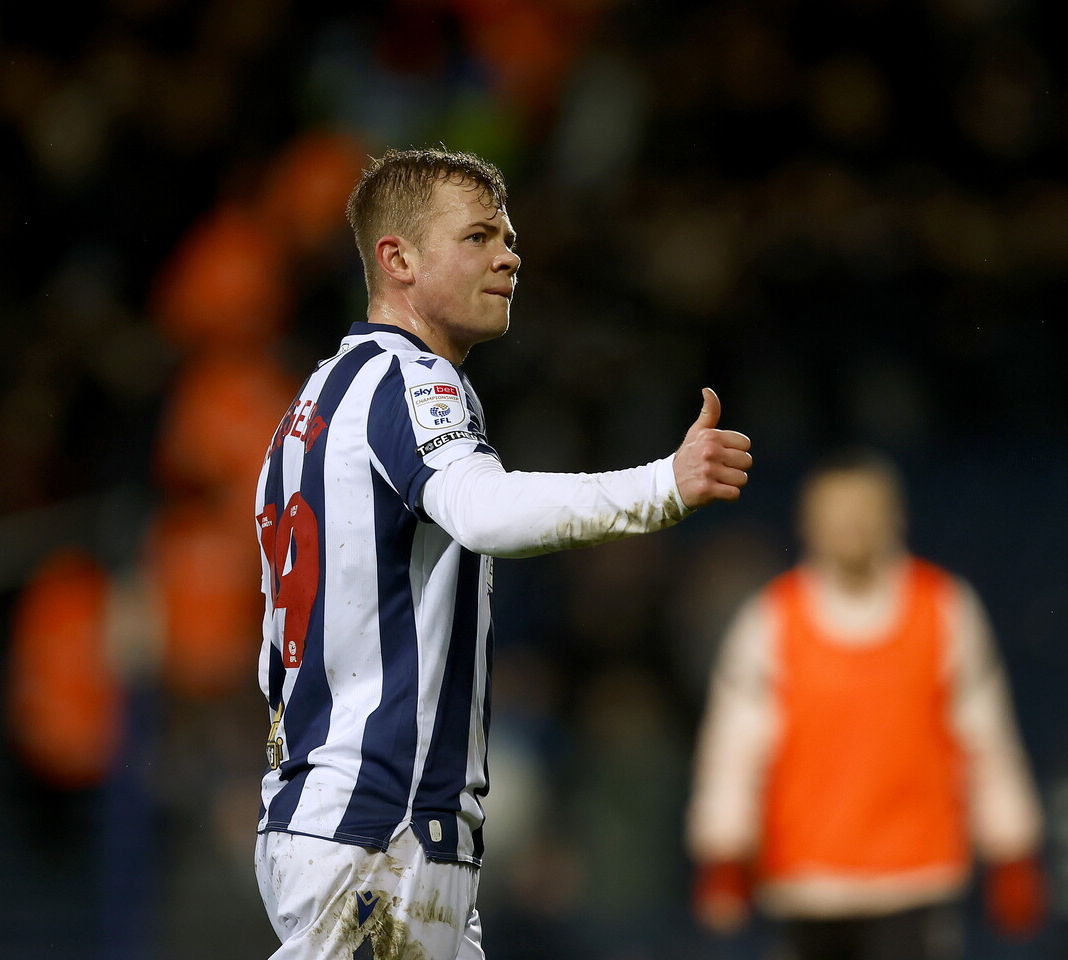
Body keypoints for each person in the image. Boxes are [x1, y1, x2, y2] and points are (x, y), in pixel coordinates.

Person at [250, 147, 753, 959]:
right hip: (382, 827)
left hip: (342, 818)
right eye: (480, 236)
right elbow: (484, 510)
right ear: (398, 258)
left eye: (510, 235)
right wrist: (663, 483)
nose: (510, 254)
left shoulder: (310, 409)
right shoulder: (409, 381)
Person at [685, 448, 1046, 960]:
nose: (849, 525)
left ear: (894, 516)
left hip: (913, 882)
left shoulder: (944, 610)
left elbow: (987, 736)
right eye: (835, 512)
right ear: (808, 522)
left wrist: (1012, 851)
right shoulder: (770, 622)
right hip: (805, 885)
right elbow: (733, 750)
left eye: (863, 510)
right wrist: (722, 855)